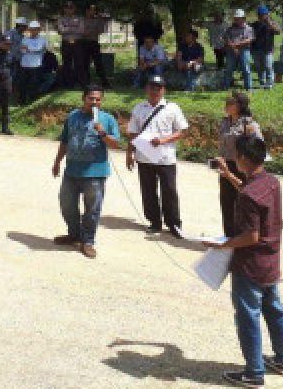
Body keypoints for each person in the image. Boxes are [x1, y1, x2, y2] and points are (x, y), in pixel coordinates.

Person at [216, 134, 283, 388]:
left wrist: (223, 244)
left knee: (248, 316)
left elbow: (251, 235)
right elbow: (252, 195)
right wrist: (229, 176)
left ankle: (253, 372)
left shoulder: (249, 194)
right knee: (274, 310)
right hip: (270, 262)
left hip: (249, 265)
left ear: (244, 158)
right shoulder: (270, 182)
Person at [51, 84, 122, 258]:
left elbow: (116, 144)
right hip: (72, 171)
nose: (94, 102)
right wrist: (57, 161)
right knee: (66, 204)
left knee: (92, 209)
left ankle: (88, 241)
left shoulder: (107, 119)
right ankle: (74, 234)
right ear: (84, 98)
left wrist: (102, 133)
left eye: (98, 99)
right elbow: (65, 140)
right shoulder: (73, 116)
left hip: (95, 173)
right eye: (91, 98)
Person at [126, 75, 189, 238]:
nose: (155, 90)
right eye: (152, 87)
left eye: (158, 87)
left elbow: (182, 131)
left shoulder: (172, 108)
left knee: (169, 191)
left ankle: (174, 223)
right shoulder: (139, 108)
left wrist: (163, 140)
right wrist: (129, 152)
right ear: (146, 89)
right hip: (143, 156)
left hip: (165, 157)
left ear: (163, 90)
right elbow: (132, 132)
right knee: (148, 191)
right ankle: (154, 221)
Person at [214, 92, 265, 238]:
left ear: (239, 106)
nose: (227, 105)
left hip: (242, 166)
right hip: (225, 165)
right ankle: (229, 236)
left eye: (231, 102)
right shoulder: (225, 121)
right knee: (226, 201)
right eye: (227, 102)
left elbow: (259, 145)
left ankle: (242, 236)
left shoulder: (249, 124)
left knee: (242, 201)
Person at [223, 9, 255, 91]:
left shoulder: (249, 28)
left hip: (244, 50)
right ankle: (225, 86)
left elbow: (249, 39)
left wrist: (236, 45)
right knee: (229, 69)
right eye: (236, 18)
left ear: (243, 18)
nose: (237, 20)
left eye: (239, 18)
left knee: (246, 69)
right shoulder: (230, 29)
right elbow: (226, 38)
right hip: (231, 51)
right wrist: (233, 47)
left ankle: (249, 87)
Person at [250, 5, 280, 90]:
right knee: (259, 67)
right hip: (256, 49)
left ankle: (270, 83)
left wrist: (269, 23)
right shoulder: (254, 24)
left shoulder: (272, 23)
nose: (262, 16)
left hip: (268, 49)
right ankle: (262, 82)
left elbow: (278, 31)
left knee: (268, 66)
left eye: (264, 14)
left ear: (267, 14)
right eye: (260, 14)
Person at [56, 2, 84, 89]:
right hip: (66, 43)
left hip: (77, 43)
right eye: (67, 8)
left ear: (74, 9)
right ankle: (67, 84)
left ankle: (80, 83)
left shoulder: (79, 18)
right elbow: (60, 30)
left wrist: (67, 28)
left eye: (71, 8)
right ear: (64, 9)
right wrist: (74, 28)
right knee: (66, 63)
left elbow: (81, 30)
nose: (69, 10)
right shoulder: (60, 19)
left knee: (78, 63)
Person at [80, 4, 110, 87]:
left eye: (94, 10)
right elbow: (82, 32)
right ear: (86, 11)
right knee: (85, 63)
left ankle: (104, 82)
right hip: (84, 43)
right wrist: (93, 30)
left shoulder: (98, 20)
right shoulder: (82, 20)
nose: (92, 12)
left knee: (99, 63)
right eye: (91, 10)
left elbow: (101, 30)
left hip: (94, 43)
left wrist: (90, 30)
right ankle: (85, 82)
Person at [18, 21, 47, 103]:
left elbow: (42, 50)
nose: (33, 31)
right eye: (32, 29)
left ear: (38, 30)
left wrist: (29, 49)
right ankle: (22, 101)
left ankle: (33, 101)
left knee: (34, 84)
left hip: (36, 65)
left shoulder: (42, 40)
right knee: (23, 84)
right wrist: (34, 50)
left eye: (35, 29)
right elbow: (23, 50)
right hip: (24, 64)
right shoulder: (25, 39)